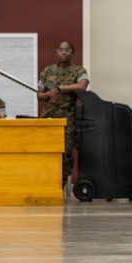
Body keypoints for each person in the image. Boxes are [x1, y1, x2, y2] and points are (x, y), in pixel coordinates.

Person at [37, 41, 90, 187]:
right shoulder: (48, 71)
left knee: (66, 150)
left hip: (67, 115)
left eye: (67, 50)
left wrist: (61, 88)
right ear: (57, 52)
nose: (64, 52)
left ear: (72, 53)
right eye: (61, 50)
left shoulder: (78, 70)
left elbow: (83, 86)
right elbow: (39, 95)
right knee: (44, 148)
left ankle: (61, 183)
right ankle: (45, 182)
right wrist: (47, 94)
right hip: (48, 115)